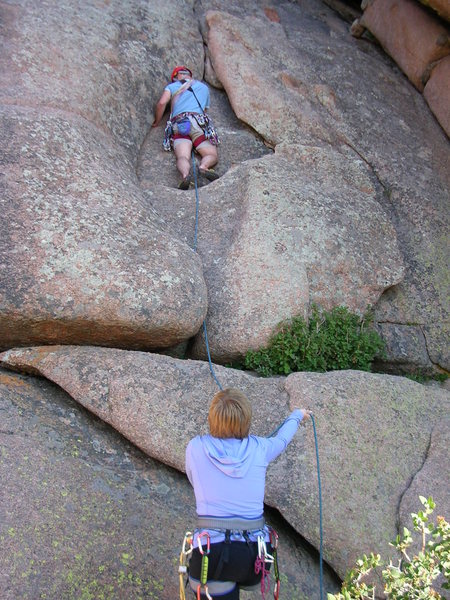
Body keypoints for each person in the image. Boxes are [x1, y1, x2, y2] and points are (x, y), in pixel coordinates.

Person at [185, 387, 311, 599]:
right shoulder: (259, 448)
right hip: (254, 554)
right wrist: (298, 415)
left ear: (212, 418)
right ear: (246, 420)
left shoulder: (196, 448)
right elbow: (282, 440)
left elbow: (193, 480)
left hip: (211, 553)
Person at [151, 65, 219, 190]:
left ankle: (185, 175)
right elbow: (204, 109)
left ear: (176, 76)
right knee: (211, 154)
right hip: (198, 123)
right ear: (189, 75)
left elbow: (161, 103)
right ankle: (204, 167)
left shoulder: (172, 87)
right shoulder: (203, 88)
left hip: (180, 123)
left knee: (182, 156)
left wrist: (156, 121)